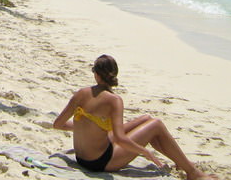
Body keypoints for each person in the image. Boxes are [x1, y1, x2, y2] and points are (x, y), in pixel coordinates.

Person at [53, 55, 217, 179]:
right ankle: (193, 172)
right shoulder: (114, 100)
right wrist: (145, 152)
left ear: (96, 75)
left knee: (146, 119)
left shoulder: (81, 93)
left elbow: (58, 124)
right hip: (99, 162)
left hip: (81, 157)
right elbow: (120, 138)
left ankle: (182, 164)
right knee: (156, 125)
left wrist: (87, 128)